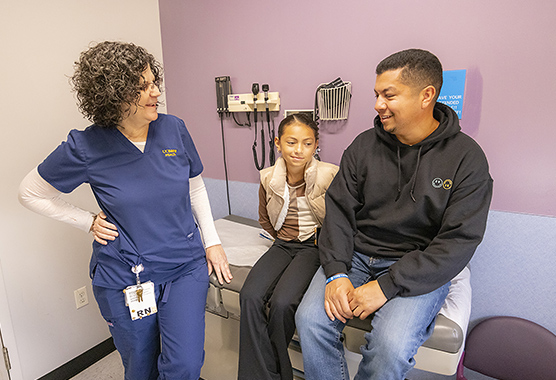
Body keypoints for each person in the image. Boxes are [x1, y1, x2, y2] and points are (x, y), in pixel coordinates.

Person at [18, 41, 232, 380]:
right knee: (140, 368)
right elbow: (30, 193)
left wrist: (212, 241)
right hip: (126, 275)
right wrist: (85, 221)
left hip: (184, 266)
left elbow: (195, 185)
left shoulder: (173, 127)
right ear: (113, 95)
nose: (156, 92)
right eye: (143, 86)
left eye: (154, 81)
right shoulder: (85, 146)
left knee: (185, 366)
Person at [295, 49, 493, 380]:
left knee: (390, 347)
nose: (377, 104)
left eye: (389, 95)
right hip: (356, 257)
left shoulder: (466, 159)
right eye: (376, 94)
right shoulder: (363, 147)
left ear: (426, 96)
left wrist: (387, 285)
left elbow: (459, 241)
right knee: (311, 321)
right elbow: (339, 212)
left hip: (418, 265)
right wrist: (335, 273)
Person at [238, 113, 339, 380]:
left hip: (313, 247)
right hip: (282, 244)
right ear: (277, 143)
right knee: (249, 295)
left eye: (307, 143)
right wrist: (282, 237)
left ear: (316, 144)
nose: (299, 150)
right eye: (292, 142)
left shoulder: (330, 175)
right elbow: (264, 218)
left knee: (283, 303)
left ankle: (278, 373)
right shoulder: (268, 177)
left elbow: (340, 221)